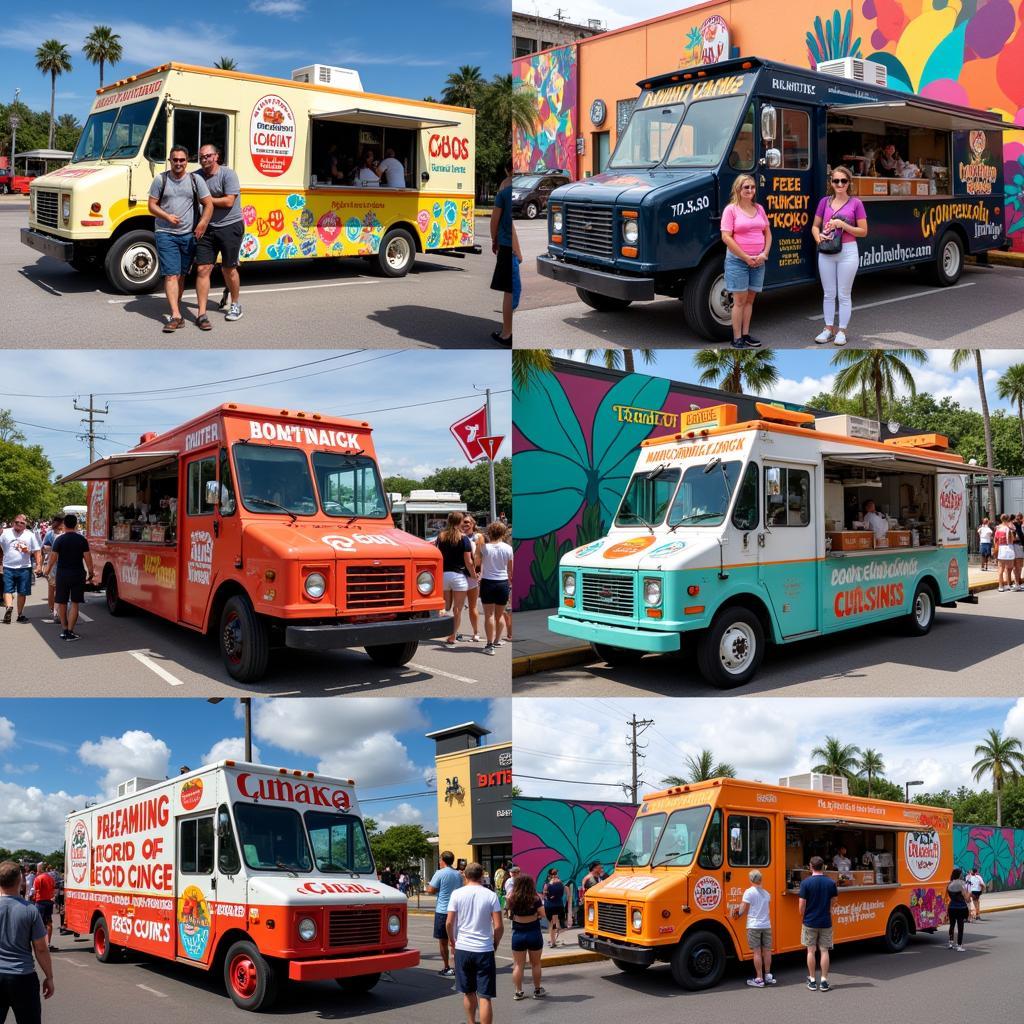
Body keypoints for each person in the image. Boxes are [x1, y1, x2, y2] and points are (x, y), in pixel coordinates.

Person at [148, 145, 213, 333]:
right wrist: (167, 217)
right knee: (171, 274)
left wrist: (202, 224)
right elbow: (151, 205)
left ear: (187, 161)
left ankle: (180, 310)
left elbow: (208, 204)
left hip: (188, 235)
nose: (178, 163)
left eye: (182, 160)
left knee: (182, 275)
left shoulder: (195, 179)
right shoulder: (161, 180)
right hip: (165, 233)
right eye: (175, 160)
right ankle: (176, 315)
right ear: (170, 161)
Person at [811, 166, 868, 346]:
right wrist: (818, 238)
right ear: (831, 183)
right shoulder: (824, 202)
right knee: (828, 293)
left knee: (844, 294)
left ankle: (842, 330)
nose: (840, 184)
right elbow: (814, 226)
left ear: (849, 183)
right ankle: (828, 328)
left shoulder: (856, 203)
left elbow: (863, 231)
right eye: (836, 181)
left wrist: (841, 225)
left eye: (843, 181)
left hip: (848, 251)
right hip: (827, 250)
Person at [446, 862, 503, 1024]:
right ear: (482, 876)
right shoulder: (490, 895)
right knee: (485, 996)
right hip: (484, 949)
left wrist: (452, 941)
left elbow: (449, 923)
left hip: (463, 948)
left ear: (465, 875)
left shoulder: (456, 894)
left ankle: (471, 1022)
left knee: (468, 992)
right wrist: (495, 944)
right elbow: (498, 926)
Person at [195, 143, 244, 327]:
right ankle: (201, 313)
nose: (204, 159)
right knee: (202, 269)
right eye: (201, 157)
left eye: (208, 156)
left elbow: (229, 201)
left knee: (228, 268)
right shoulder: (197, 176)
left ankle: (235, 304)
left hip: (230, 226)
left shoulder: (228, 174)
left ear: (216, 156)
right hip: (207, 227)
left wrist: (206, 201)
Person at [0, 860, 55, 1024]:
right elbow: (41, 949)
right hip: (22, 977)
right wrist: (49, 977)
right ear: (21, 880)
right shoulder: (30, 910)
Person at [720, 174, 771, 350]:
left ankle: (746, 334)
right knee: (739, 301)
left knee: (750, 300)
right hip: (738, 261)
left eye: (752, 187)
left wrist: (764, 253)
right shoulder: (731, 210)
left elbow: (767, 233)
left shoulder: (759, 209)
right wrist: (745, 257)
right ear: (738, 190)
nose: (750, 190)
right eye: (746, 187)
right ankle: (737, 337)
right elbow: (726, 237)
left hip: (758, 261)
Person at [43, 515, 94, 642]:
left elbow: (52, 558)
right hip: (78, 574)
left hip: (62, 574)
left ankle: (64, 630)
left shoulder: (59, 540)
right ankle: (71, 631)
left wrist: (47, 571)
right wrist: (91, 572)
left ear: (64, 525)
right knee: (75, 603)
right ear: (76, 525)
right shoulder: (82, 540)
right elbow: (88, 558)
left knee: (62, 602)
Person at [490, 162, 520, 346]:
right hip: (513, 248)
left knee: (509, 292)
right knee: (514, 288)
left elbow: (494, 221)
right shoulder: (515, 192)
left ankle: (507, 333)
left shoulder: (504, 193)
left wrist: (495, 240)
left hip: (506, 247)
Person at [436, 511, 477, 646]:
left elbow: (438, 555)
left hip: (444, 575)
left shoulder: (441, 536)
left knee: (445, 607)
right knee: (457, 609)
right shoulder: (463, 538)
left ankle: (441, 625)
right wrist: (473, 574)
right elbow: (468, 561)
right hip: (459, 576)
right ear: (460, 522)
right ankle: (452, 635)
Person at [798, 855, 838, 992]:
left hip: (809, 921)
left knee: (810, 950)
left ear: (810, 866)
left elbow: (801, 904)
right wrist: (829, 909)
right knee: (824, 950)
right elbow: (834, 900)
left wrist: (802, 914)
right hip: (826, 921)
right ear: (824, 867)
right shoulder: (831, 883)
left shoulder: (805, 883)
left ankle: (812, 980)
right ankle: (824, 981)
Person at [731, 869, 774, 987]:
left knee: (757, 952)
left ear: (751, 880)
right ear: (761, 879)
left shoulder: (749, 892)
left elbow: (743, 908)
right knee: (767, 951)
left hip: (754, 925)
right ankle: (768, 976)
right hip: (766, 925)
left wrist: (737, 914)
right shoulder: (767, 894)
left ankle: (759, 978)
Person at [508, 872, 546, 1001]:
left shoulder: (511, 898)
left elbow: (508, 914)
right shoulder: (535, 898)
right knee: (536, 964)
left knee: (518, 965)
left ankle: (518, 992)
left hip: (518, 934)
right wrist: (536, 916)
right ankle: (537, 989)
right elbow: (542, 914)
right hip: (534, 932)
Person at [426, 850, 463, 977]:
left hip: (442, 910)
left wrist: (433, 888)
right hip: (456, 911)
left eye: (440, 859)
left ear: (443, 860)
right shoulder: (458, 874)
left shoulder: (439, 873)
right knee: (456, 940)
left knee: (443, 941)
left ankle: (447, 966)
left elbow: (430, 889)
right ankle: (458, 966)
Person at [1, 515, 42, 625]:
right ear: (12, 522)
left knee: (22, 592)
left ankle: (19, 614)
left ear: (25, 525)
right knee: (7, 589)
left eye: (21, 523)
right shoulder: (5, 533)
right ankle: (9, 608)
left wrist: (38, 565)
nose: (18, 524)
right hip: (8, 567)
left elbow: (37, 551)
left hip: (24, 568)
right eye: (16, 522)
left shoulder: (30, 535)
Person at [480, 522, 513, 655]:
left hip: (488, 582)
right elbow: (511, 570)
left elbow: (478, 562)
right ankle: (497, 641)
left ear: (489, 532)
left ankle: (489, 645)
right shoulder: (508, 548)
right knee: (499, 616)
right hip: (502, 583)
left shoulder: (484, 548)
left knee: (489, 615)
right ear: (503, 533)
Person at [459, 516, 484, 643]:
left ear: (473, 524)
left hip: (472, 575)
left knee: (472, 606)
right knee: (457, 607)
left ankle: (476, 632)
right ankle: (455, 632)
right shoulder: (458, 536)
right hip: (459, 575)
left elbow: (480, 557)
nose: (465, 524)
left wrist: (479, 573)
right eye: (463, 522)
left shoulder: (477, 537)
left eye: (467, 522)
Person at [40, 516, 65, 625]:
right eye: (58, 522)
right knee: (52, 588)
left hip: (64, 565)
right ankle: (53, 610)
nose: (59, 524)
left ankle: (57, 611)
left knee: (60, 589)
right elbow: (43, 548)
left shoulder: (66, 533)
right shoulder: (50, 534)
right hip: (53, 565)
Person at [28, 865, 55, 953]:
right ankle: (48, 943)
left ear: (39, 870)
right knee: (49, 923)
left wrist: (30, 897)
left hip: (40, 902)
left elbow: (34, 890)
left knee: (40, 924)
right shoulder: (50, 878)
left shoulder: (38, 878)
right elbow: (53, 888)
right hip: (49, 901)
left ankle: (41, 944)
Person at [541, 868, 566, 948]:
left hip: (549, 906)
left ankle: (553, 941)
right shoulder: (561, 883)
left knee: (551, 923)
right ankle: (554, 938)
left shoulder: (547, 884)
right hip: (558, 905)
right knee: (555, 922)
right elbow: (564, 892)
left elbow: (544, 895)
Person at [946, 867, 970, 950]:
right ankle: (959, 946)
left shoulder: (949, 884)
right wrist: (968, 893)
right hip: (960, 907)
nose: (962, 875)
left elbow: (947, 897)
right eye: (961, 874)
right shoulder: (961, 885)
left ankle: (950, 943)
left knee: (952, 925)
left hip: (951, 907)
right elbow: (967, 898)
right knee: (960, 926)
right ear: (959, 875)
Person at [994, 514, 1016, 592]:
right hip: (1009, 549)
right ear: (1008, 519)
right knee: (1009, 569)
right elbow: (1012, 539)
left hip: (1001, 549)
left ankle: (1000, 586)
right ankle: (1009, 584)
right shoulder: (1009, 529)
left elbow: (995, 540)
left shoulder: (998, 528)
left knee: (1001, 569)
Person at [1012, 512, 1024, 591]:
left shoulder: (1017, 525)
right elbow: (1015, 538)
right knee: (1018, 566)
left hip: (1018, 546)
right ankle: (1017, 583)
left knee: (1017, 566)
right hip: (1018, 546)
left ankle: (1017, 582)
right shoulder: (1016, 525)